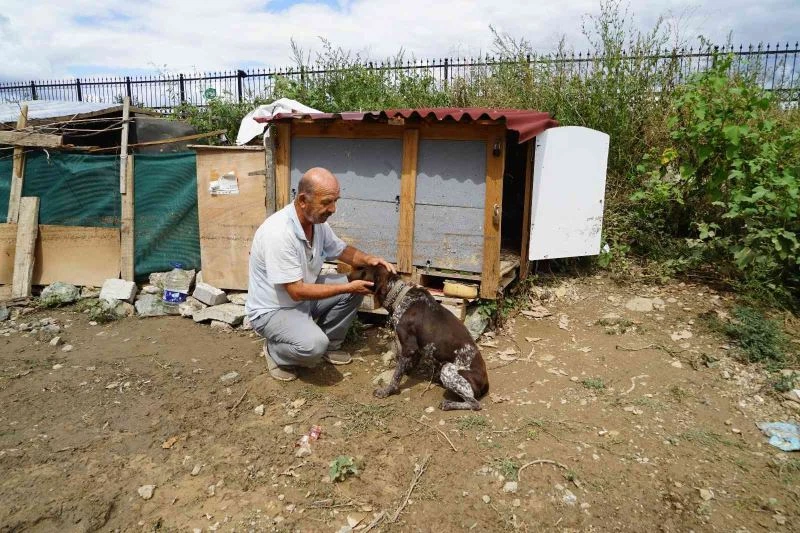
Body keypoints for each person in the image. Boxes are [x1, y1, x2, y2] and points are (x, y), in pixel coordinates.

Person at [246, 167, 396, 381]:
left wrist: (369, 259)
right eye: (327, 202)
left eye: (336, 201)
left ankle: (330, 344)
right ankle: (276, 352)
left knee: (359, 283)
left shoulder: (316, 224)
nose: (333, 208)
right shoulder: (278, 233)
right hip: (274, 309)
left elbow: (341, 250)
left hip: (302, 297)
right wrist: (346, 287)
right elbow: (296, 291)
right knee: (312, 346)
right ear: (303, 200)